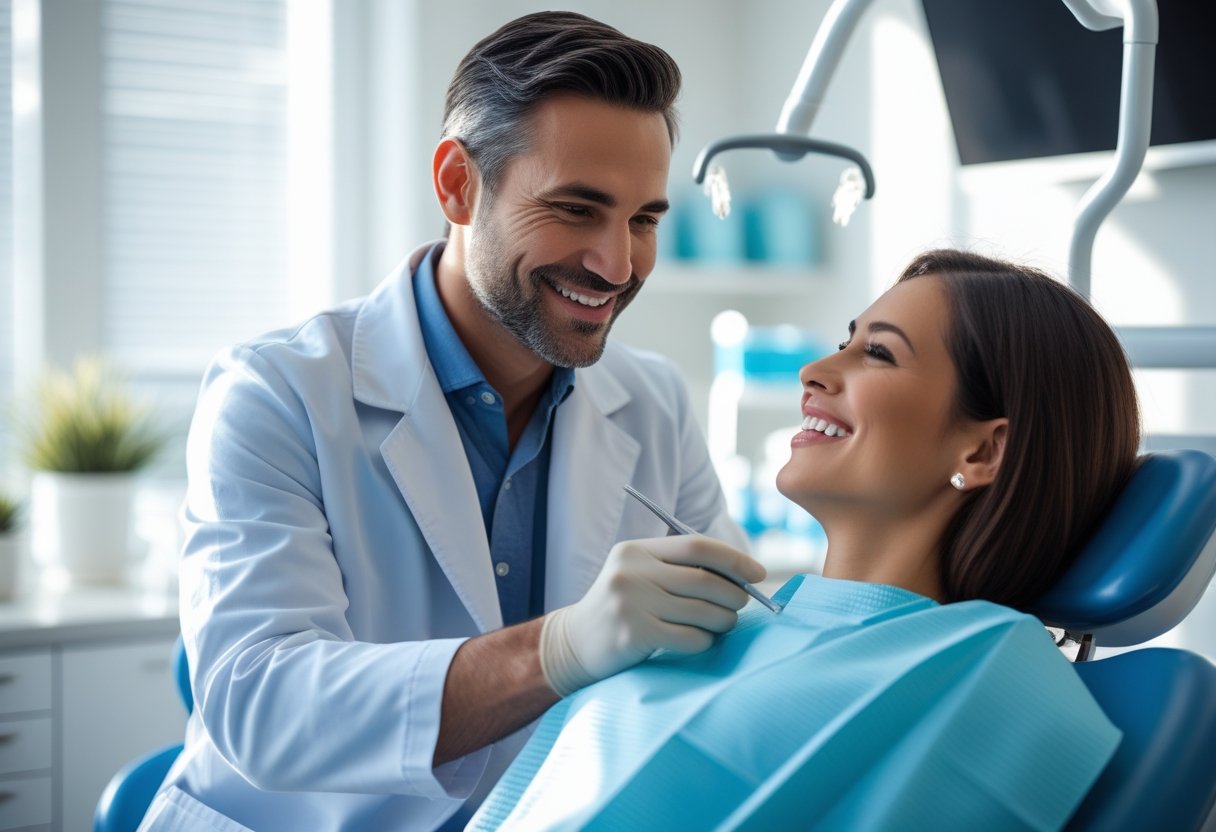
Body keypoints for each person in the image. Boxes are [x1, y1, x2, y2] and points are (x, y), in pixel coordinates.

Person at [140, 12, 764, 832]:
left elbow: (714, 662)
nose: (618, 265)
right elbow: (260, 705)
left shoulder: (652, 401)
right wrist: (558, 650)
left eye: (644, 220)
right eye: (577, 209)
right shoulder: (274, 392)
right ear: (457, 184)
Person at [469, 249, 1142, 830]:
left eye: (877, 352)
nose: (814, 370)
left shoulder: (998, 673)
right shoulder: (739, 622)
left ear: (983, 450)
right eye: (846, 340)